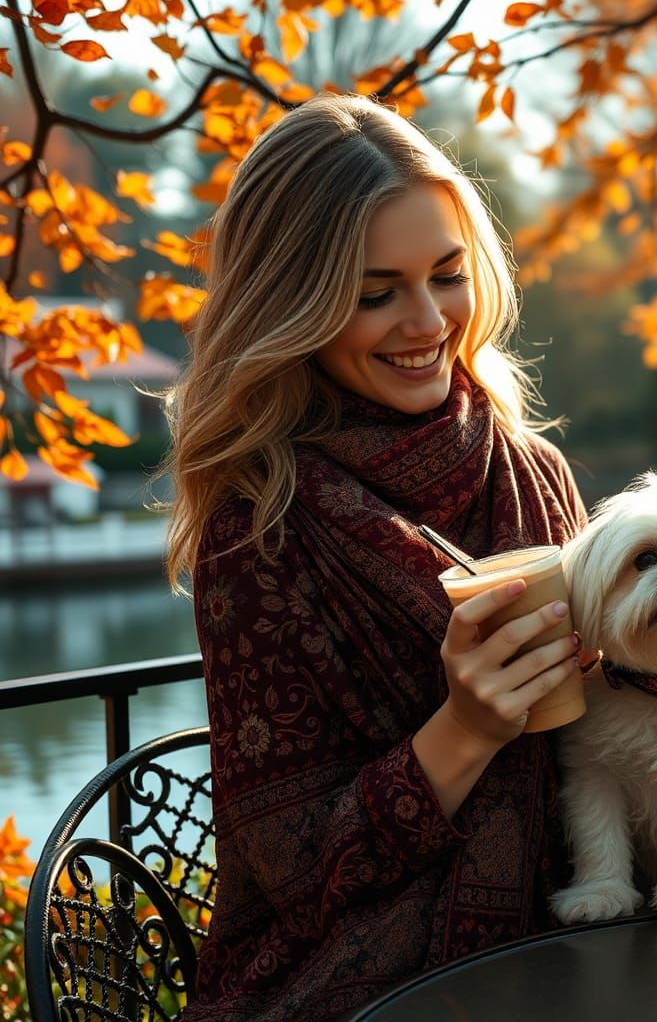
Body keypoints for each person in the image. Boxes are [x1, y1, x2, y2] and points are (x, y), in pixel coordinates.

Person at [165, 92, 589, 1020]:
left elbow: (604, 755)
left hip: (579, 929)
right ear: (295, 303)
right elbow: (300, 874)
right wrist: (468, 728)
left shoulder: (530, 469)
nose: (428, 320)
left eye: (447, 274)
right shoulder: (262, 524)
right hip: (361, 980)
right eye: (374, 293)